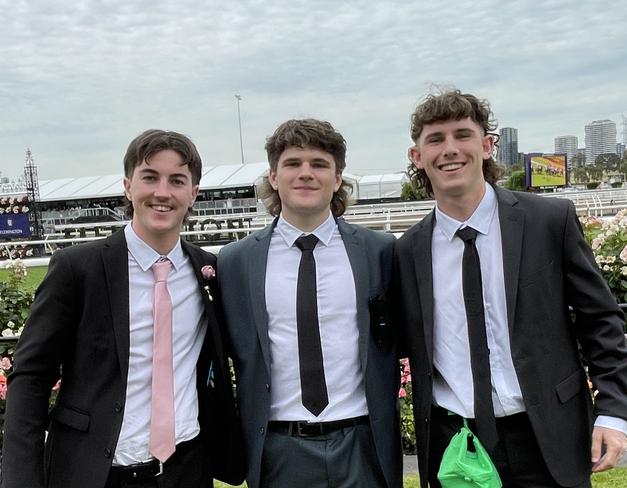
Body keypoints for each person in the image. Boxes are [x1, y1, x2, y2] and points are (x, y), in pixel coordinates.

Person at [393, 89, 627, 488]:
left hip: (547, 438)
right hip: (454, 444)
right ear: (417, 157)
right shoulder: (406, 251)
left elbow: (600, 321)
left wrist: (613, 412)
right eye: (435, 139)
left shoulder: (548, 221)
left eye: (462, 135)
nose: (450, 149)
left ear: (488, 145)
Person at [1, 130, 244, 488]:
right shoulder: (76, 269)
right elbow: (32, 377)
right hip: (95, 474)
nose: (162, 192)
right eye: (150, 177)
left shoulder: (209, 271)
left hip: (187, 471)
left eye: (177, 180)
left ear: (193, 194)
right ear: (129, 186)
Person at [218, 119, 402, 488]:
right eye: (293, 163)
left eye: (319, 164)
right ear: (273, 176)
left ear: (337, 179)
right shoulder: (235, 262)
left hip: (362, 445)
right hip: (279, 450)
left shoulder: (380, 252)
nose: (306, 174)